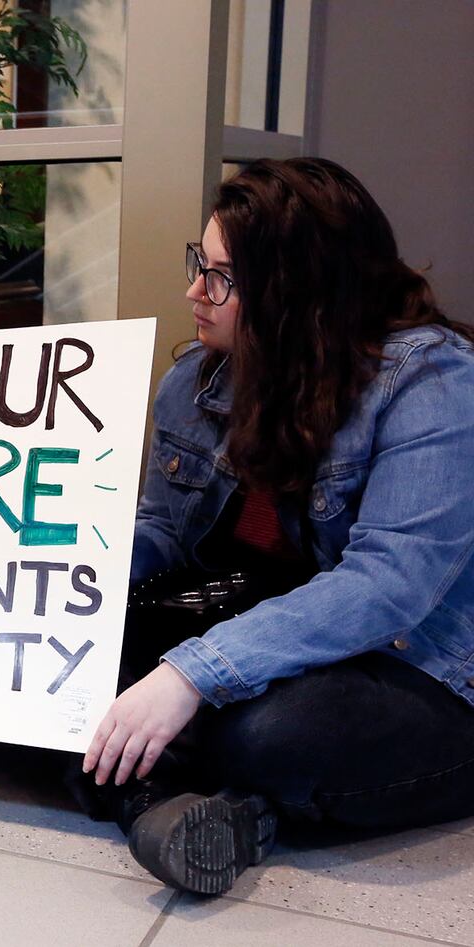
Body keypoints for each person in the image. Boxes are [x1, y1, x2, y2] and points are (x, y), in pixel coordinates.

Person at [77, 157, 474, 896]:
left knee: (269, 736)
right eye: (201, 263)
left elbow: (388, 585)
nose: (194, 290)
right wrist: (72, 582)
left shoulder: (431, 382)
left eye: (221, 276)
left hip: (417, 666)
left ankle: (164, 788)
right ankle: (163, 810)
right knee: (66, 660)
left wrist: (193, 672)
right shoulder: (195, 379)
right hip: (267, 636)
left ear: (298, 291)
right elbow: (161, 531)